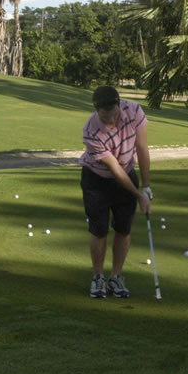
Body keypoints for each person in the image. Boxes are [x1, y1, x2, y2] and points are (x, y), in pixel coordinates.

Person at [79, 86, 152, 298]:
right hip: (97, 180)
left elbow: (142, 147)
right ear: (96, 110)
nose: (110, 120)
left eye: (112, 114)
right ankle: (98, 277)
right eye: (104, 117)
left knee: (124, 229)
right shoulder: (91, 131)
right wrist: (139, 196)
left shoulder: (135, 111)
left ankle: (116, 277)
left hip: (128, 171)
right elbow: (116, 171)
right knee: (99, 231)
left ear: (119, 105)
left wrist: (146, 186)